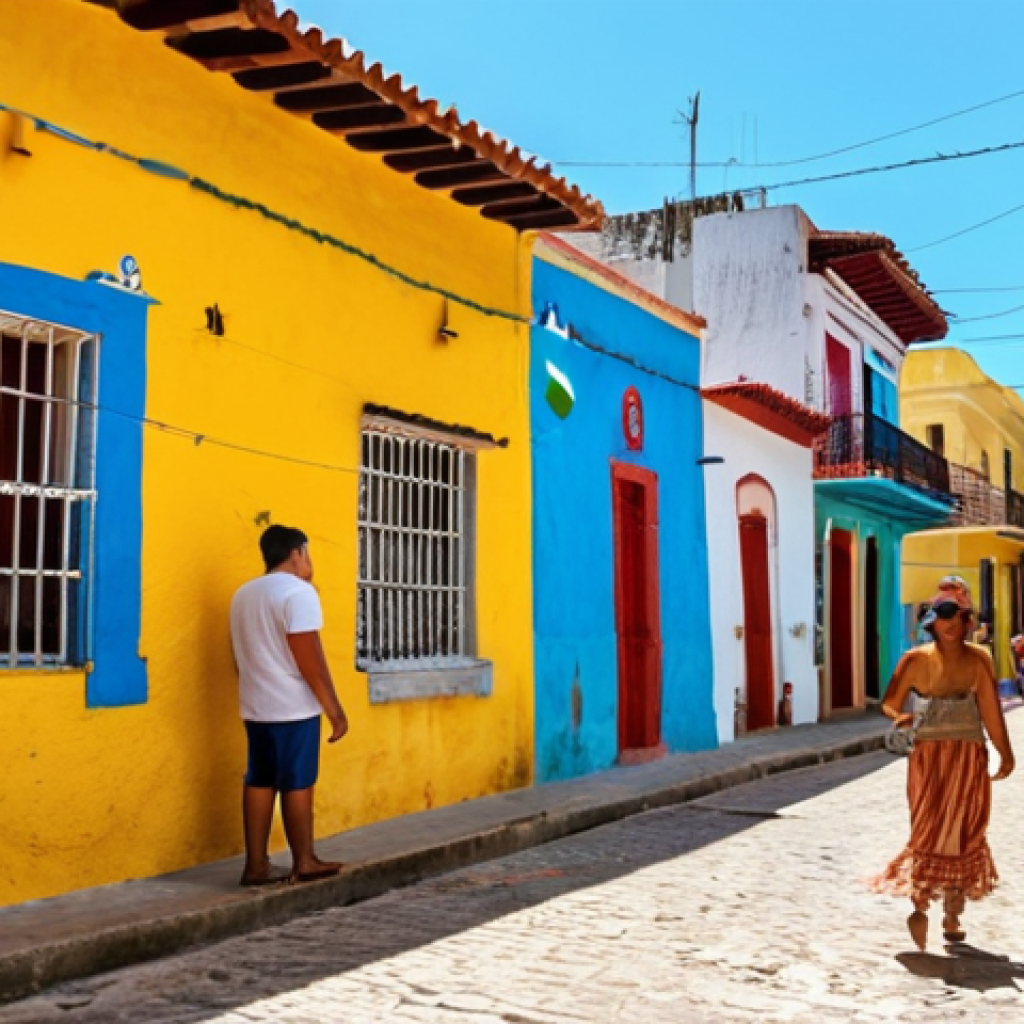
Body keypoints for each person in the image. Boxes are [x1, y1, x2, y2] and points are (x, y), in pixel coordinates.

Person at [872, 575, 1015, 950]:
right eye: (946, 614)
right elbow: (889, 701)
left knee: (966, 830)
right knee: (928, 829)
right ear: (931, 620)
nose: (953, 623)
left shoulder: (979, 660)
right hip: (928, 758)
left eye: (961, 615)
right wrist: (899, 717)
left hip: (968, 756)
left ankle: (953, 912)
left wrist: (1006, 751)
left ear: (969, 621)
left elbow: (990, 712)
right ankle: (919, 905)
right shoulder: (915, 660)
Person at [230, 525, 349, 886]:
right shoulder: (299, 593)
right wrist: (334, 709)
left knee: (260, 779)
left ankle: (256, 865)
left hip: (256, 703)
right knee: (298, 782)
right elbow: (307, 655)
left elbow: (237, 654)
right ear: (297, 553)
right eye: (307, 554)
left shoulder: (243, 595)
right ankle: (305, 860)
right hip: (292, 706)